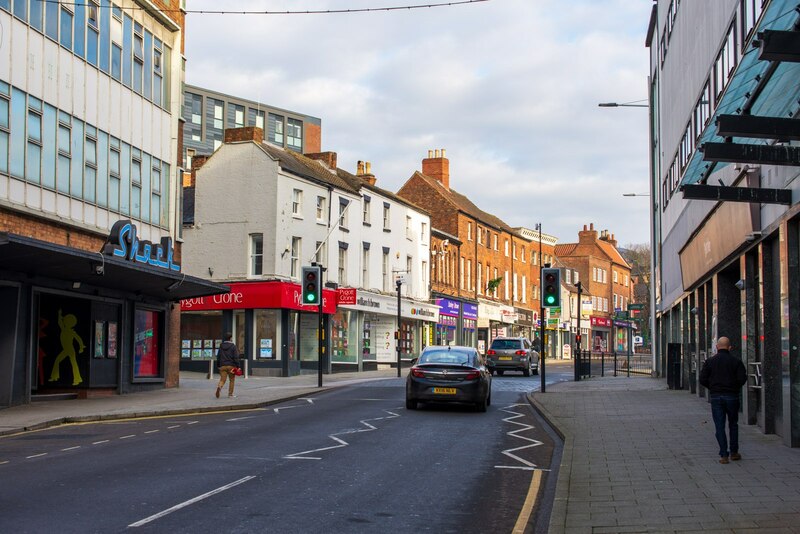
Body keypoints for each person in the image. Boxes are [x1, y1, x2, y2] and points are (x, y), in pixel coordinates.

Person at [699, 336, 747, 464]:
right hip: (732, 396)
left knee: (719, 426)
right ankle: (734, 452)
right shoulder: (736, 362)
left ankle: (724, 454)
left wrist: (713, 387)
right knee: (733, 424)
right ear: (730, 347)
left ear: (717, 347)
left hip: (716, 396)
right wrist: (734, 387)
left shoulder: (710, 362)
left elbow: (702, 379)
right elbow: (742, 378)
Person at [215, 333, 240, 399]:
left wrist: (218, 365)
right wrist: (238, 366)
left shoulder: (221, 346)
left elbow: (218, 356)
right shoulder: (233, 346)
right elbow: (236, 357)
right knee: (231, 380)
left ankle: (219, 387)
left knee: (222, 380)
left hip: (222, 366)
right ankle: (230, 394)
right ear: (230, 338)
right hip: (231, 366)